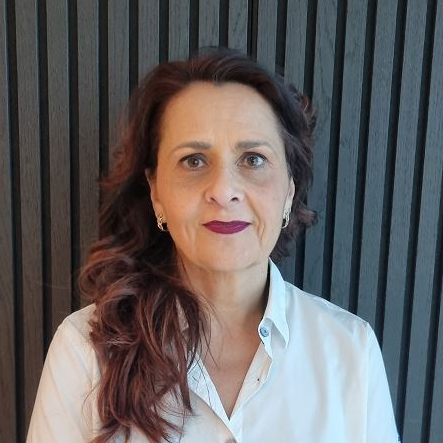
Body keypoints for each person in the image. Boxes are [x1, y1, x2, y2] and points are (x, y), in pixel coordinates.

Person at [27, 48, 399, 443]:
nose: (223, 190)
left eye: (253, 159)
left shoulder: (351, 352)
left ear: (289, 192)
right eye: (194, 161)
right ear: (156, 194)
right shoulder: (85, 352)